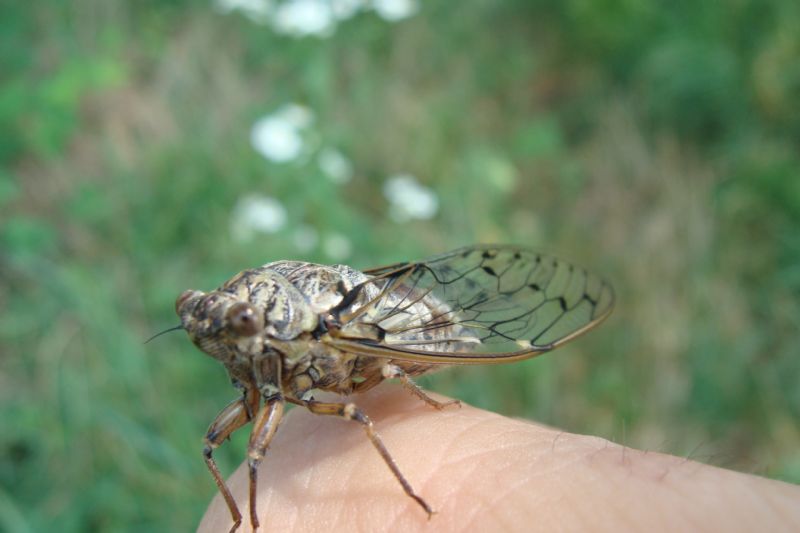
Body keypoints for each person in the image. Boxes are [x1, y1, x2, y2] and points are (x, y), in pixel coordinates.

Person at [198, 385, 800, 532]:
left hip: (377, 333)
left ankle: (408, 484)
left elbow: (355, 403)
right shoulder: (263, 380)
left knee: (355, 414)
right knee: (219, 448)